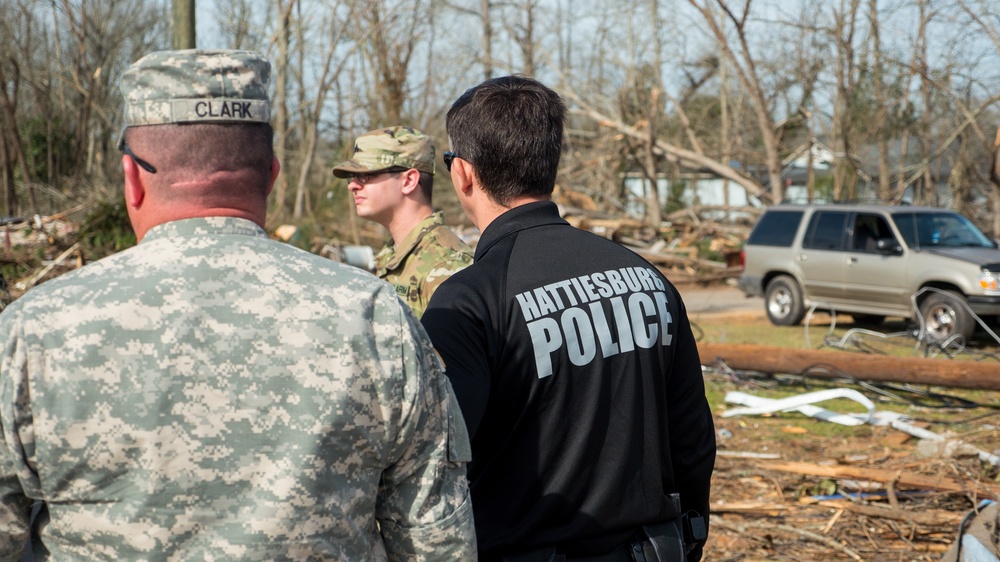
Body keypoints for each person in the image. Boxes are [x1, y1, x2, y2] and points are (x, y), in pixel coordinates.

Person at [0, 49, 475, 561]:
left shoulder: (33, 330)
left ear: (131, 179)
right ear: (270, 174)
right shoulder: (374, 317)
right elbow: (436, 541)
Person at [421, 75, 716, 562]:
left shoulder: (468, 302)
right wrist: (690, 538)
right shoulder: (645, 277)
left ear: (463, 174)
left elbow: (437, 464)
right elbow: (692, 438)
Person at [332, 126, 473, 318]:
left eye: (365, 175)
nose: (353, 185)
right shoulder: (391, 255)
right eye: (352, 177)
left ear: (408, 181)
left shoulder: (446, 265)